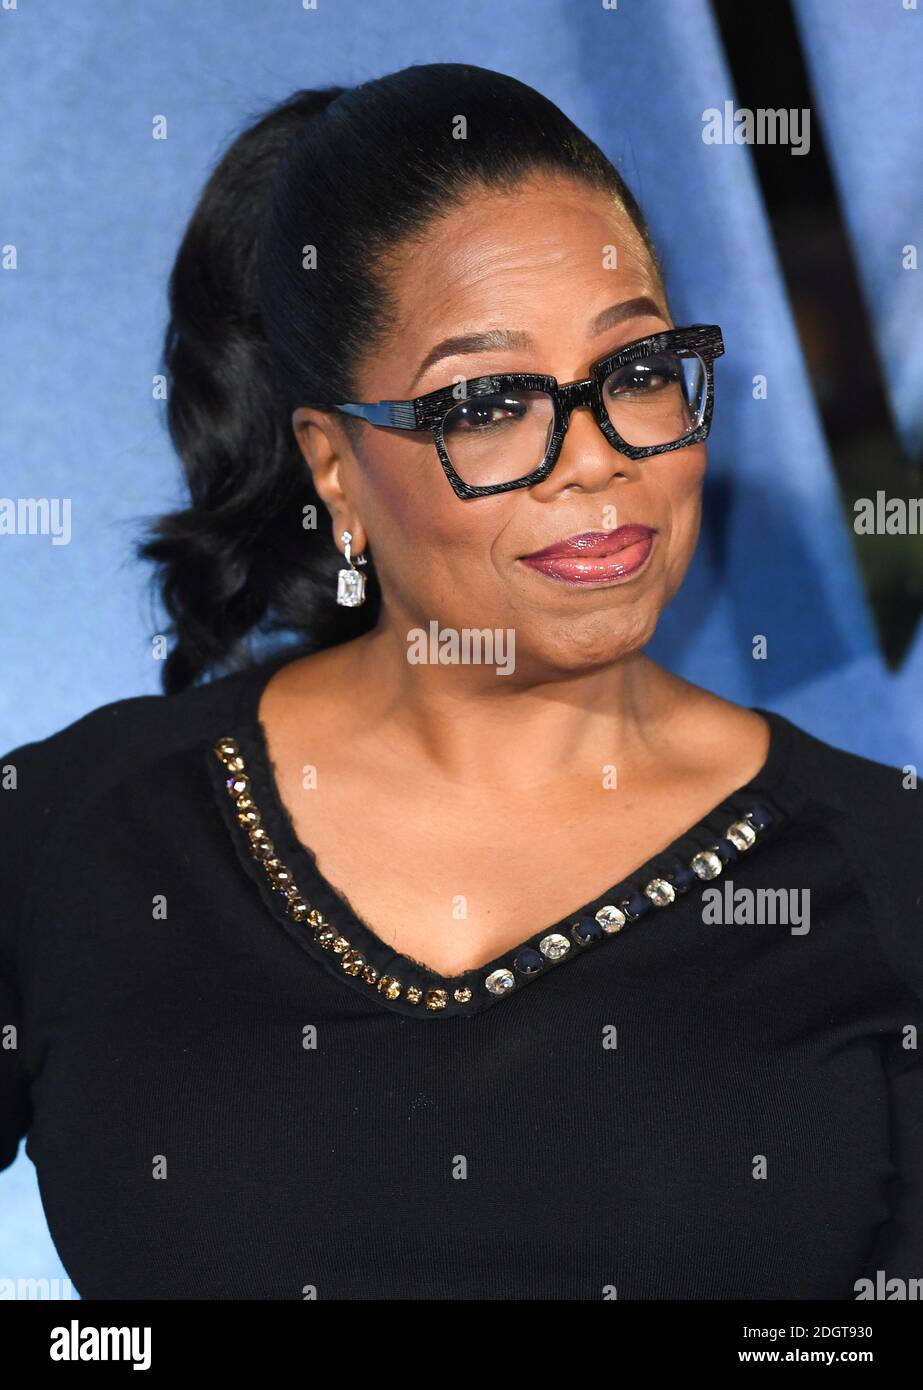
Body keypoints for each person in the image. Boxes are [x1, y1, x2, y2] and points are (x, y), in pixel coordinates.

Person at [1, 63, 920, 1301]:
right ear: (332, 468)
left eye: (638, 370)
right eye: (488, 400)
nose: (595, 460)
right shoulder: (70, 832)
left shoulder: (884, 868)